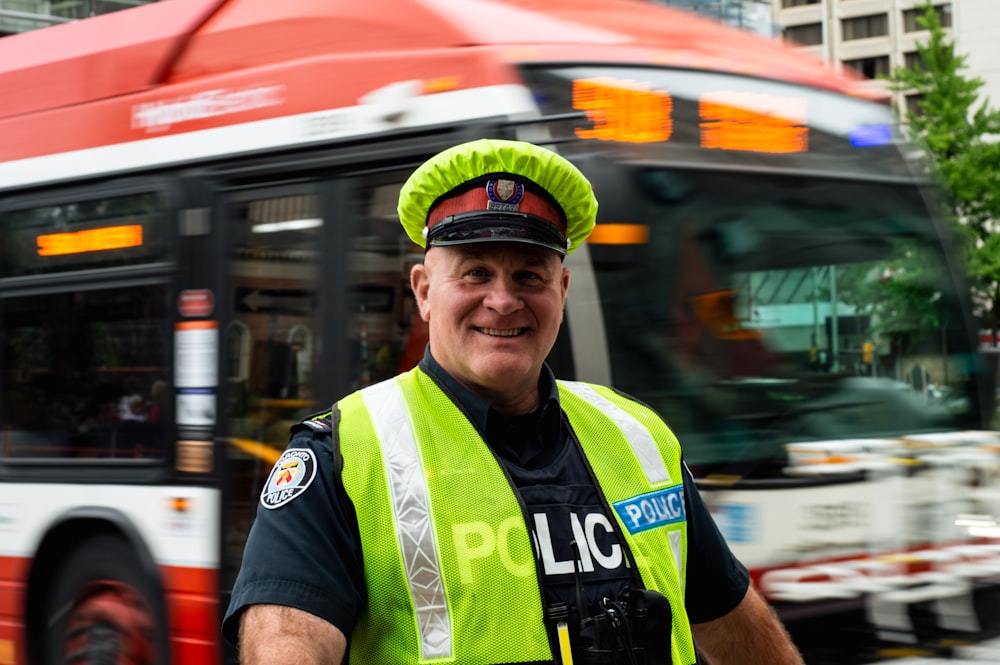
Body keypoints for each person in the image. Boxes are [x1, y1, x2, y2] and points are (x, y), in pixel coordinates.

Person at [223, 139, 805, 665]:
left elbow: (731, 614)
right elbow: (288, 645)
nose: (502, 302)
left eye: (529, 276)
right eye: (475, 273)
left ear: (562, 290)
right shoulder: (340, 457)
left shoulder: (638, 434)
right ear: (424, 291)